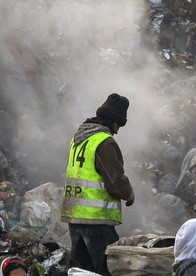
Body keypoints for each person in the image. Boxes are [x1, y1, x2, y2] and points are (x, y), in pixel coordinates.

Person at [61, 93, 135, 276]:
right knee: (108, 268)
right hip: (96, 219)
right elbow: (116, 183)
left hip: (74, 216)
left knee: (80, 270)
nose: (117, 130)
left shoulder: (78, 139)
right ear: (114, 122)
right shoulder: (104, 142)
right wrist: (130, 194)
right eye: (118, 125)